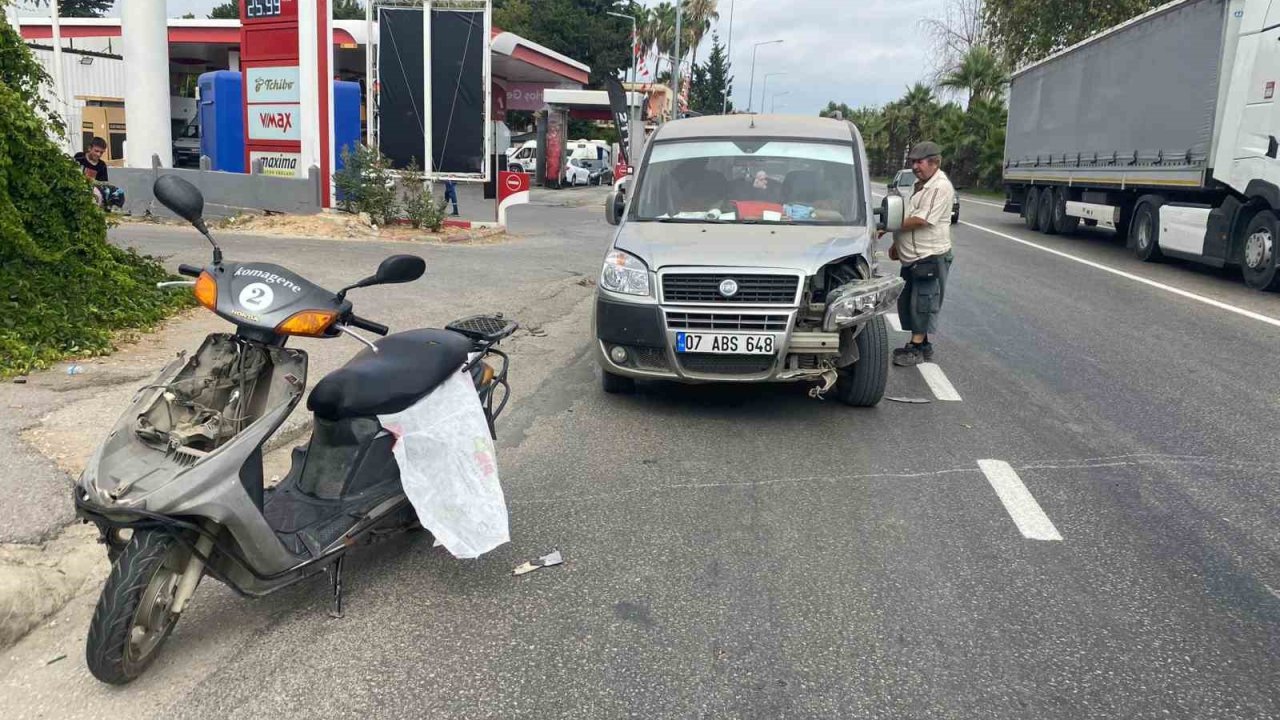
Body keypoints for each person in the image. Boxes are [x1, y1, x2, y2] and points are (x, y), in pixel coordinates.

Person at [886, 141, 955, 367]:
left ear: (935, 162)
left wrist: (888, 226)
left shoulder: (940, 187)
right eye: (913, 162)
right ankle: (922, 343)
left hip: (929, 256)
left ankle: (916, 348)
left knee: (923, 302)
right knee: (909, 302)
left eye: (920, 162)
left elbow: (921, 219)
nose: (915, 166)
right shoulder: (920, 185)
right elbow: (911, 212)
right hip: (913, 257)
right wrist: (898, 244)